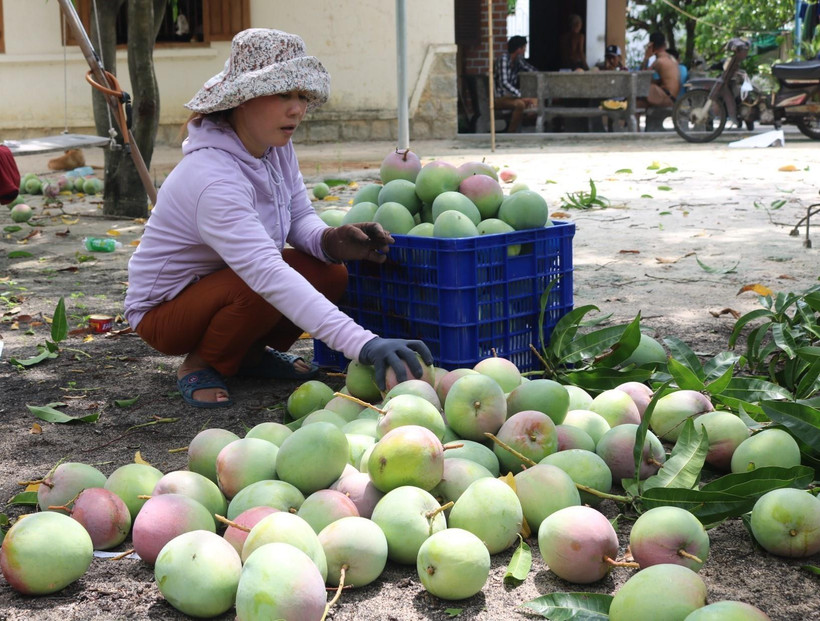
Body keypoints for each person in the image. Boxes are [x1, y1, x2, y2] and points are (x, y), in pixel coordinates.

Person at [123, 28, 432, 408]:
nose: (297, 109)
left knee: (328, 271)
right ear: (242, 99)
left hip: (228, 284)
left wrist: (329, 240)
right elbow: (266, 272)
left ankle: (247, 355)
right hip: (164, 312)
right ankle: (200, 364)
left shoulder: (275, 148)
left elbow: (298, 215)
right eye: (284, 94)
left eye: (302, 96)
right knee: (261, 283)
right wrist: (364, 344)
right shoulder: (212, 178)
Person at [493, 35, 539, 133]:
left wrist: (541, 75)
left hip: (513, 96)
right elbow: (504, 83)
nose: (525, 50)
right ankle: (511, 132)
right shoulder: (503, 60)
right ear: (518, 49)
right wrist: (521, 95)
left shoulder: (518, 60)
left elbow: (530, 69)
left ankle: (528, 124)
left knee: (535, 100)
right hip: (500, 97)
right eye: (524, 48)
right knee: (520, 104)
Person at [639, 32, 681, 109]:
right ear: (664, 45)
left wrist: (647, 57)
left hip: (666, 97)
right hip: (672, 97)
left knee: (638, 97)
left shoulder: (659, 61)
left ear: (651, 45)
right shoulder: (671, 58)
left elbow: (643, 77)